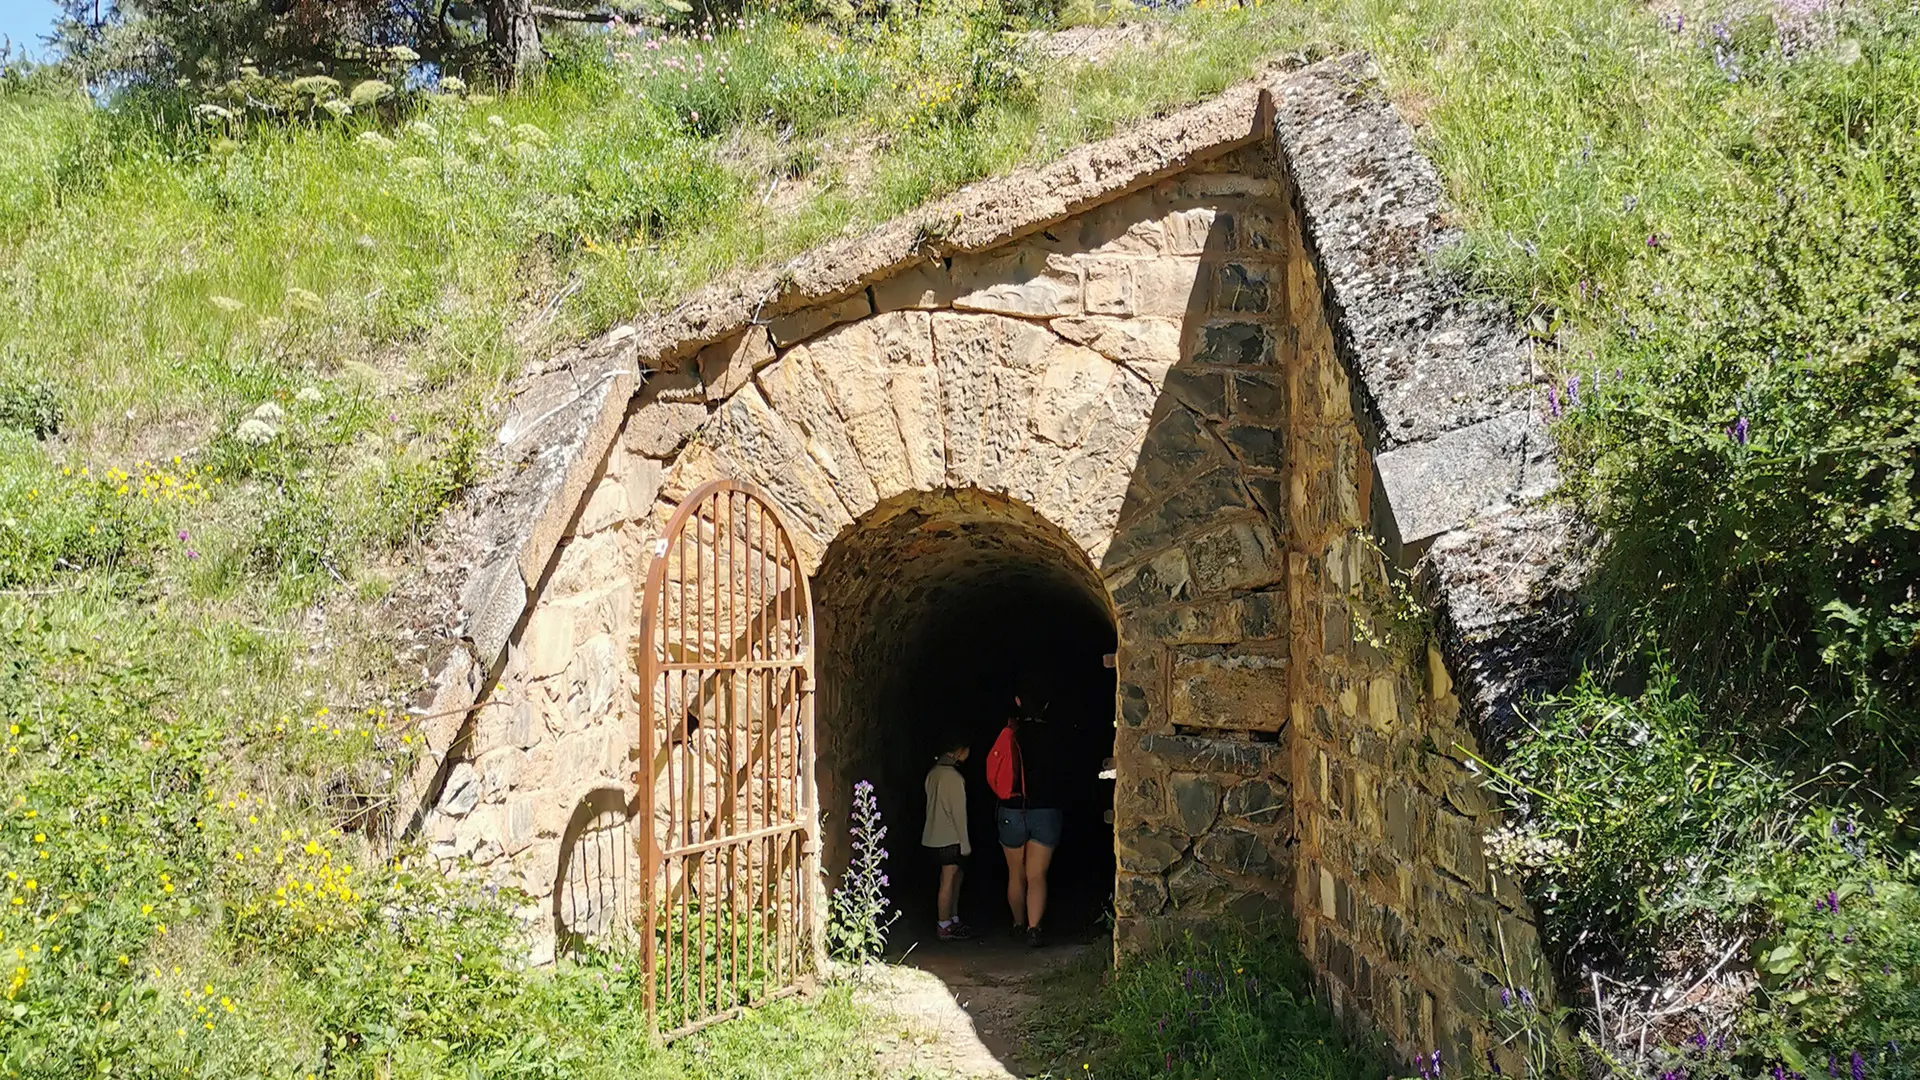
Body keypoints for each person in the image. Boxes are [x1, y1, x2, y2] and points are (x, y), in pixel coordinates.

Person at [997, 697, 1063, 947]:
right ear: (1046, 705)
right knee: (1036, 875)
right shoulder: (1055, 735)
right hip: (1046, 809)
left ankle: (1017, 923)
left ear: (1017, 701)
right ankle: (1034, 929)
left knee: (1015, 873)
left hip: (1012, 808)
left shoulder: (1011, 733)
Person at [922, 732, 973, 941]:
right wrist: (965, 843)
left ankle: (952, 919)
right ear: (960, 751)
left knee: (953, 878)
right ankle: (944, 924)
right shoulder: (954, 777)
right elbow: (959, 813)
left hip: (933, 835)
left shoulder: (933, 773)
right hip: (950, 838)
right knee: (948, 879)